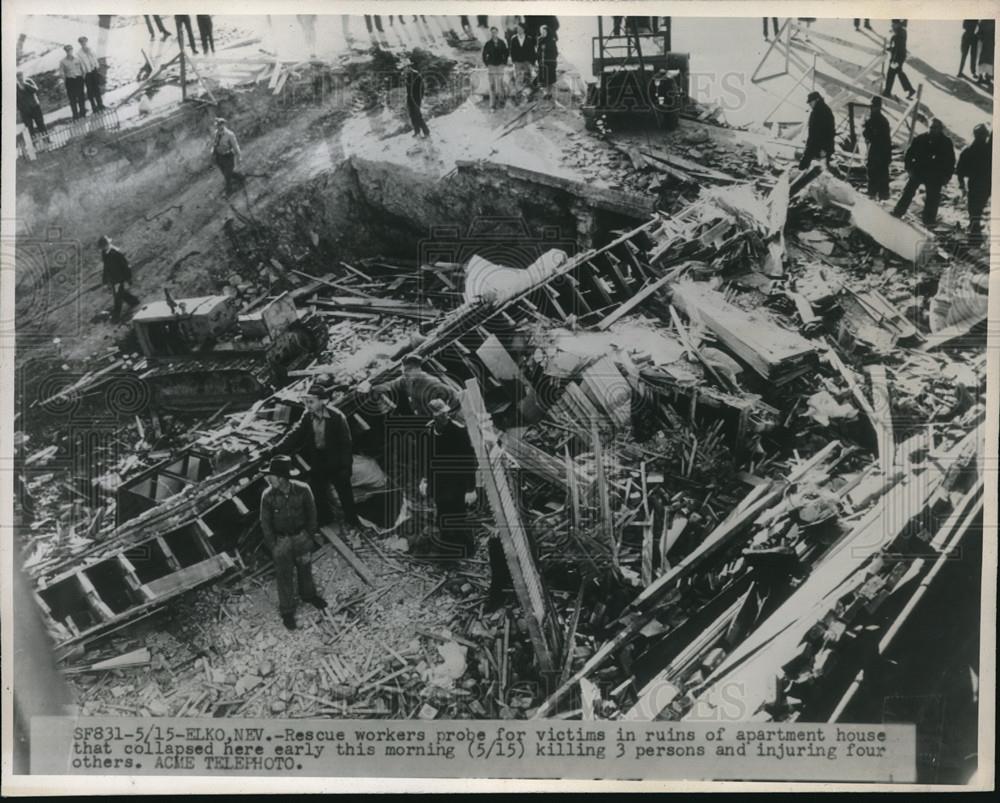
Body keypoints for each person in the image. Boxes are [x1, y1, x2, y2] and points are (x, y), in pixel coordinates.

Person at [272, 385, 360, 528]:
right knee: (318, 491)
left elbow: (346, 444)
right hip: (319, 459)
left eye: (311, 402)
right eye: (306, 402)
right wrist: (276, 450)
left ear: (323, 401)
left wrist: (346, 467)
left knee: (344, 492)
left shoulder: (336, 417)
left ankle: (352, 520)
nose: (307, 405)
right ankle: (327, 518)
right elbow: (295, 434)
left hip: (336, 460)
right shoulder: (307, 416)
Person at [259, 455, 327, 631]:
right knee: (284, 575)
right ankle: (287, 611)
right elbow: (265, 524)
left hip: (301, 538)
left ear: (282, 478)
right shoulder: (267, 496)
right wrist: (273, 546)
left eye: (271, 476)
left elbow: (312, 514)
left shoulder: (303, 490)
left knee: (305, 568)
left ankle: (309, 596)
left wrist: (308, 535)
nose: (268, 479)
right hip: (281, 542)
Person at [423, 399, 479, 559]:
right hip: (438, 482)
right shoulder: (428, 431)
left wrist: (470, 489)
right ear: (432, 415)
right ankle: (448, 549)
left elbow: (469, 461)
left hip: (457, 481)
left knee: (458, 516)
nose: (444, 417)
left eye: (446, 413)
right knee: (442, 514)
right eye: (440, 414)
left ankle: (467, 549)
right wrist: (425, 479)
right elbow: (427, 458)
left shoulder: (458, 431)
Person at [892, 118, 956, 226]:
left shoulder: (946, 143)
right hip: (918, 171)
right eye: (930, 127)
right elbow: (909, 154)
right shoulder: (920, 139)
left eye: (935, 128)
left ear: (940, 129)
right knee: (908, 192)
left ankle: (928, 221)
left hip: (935, 176)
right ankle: (898, 212)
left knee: (932, 199)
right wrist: (909, 169)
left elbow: (951, 162)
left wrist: (947, 177)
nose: (932, 130)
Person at [364, 354, 460, 418]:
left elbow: (444, 411)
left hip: (454, 413)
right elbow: (390, 385)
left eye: (409, 370)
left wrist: (438, 426)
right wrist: (370, 387)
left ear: (418, 369)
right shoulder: (406, 380)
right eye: (404, 370)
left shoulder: (431, 384)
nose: (405, 373)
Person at [956, 124, 992, 236]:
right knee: (978, 206)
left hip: (977, 182)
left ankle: (974, 227)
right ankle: (974, 227)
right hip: (986, 182)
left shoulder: (968, 150)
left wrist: (961, 184)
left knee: (974, 207)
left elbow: (960, 170)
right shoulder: (989, 149)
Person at [99, 236, 140, 323]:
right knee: (121, 294)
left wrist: (128, 279)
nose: (103, 248)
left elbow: (125, 266)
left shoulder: (116, 253)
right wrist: (105, 281)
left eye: (104, 246)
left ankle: (116, 315)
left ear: (108, 244)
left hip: (120, 278)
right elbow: (106, 268)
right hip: (114, 279)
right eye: (102, 247)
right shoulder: (105, 254)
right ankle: (135, 302)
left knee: (117, 296)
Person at [863, 96, 892, 200]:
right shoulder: (874, 119)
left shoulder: (880, 120)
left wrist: (867, 130)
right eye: (871, 106)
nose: (872, 108)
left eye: (874, 106)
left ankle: (880, 194)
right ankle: (875, 193)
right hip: (877, 149)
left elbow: (875, 136)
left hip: (880, 150)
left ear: (878, 107)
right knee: (875, 171)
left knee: (879, 172)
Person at [799, 91, 836, 170]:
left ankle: (801, 174)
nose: (809, 104)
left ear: (817, 100)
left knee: (809, 165)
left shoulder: (822, 111)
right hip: (816, 144)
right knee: (819, 167)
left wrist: (824, 148)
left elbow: (828, 132)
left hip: (819, 145)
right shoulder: (819, 110)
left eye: (810, 102)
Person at [883, 20, 916, 100]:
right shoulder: (901, 31)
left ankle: (887, 92)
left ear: (898, 25)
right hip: (898, 56)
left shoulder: (900, 34)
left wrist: (894, 60)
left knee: (891, 74)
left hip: (897, 57)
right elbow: (896, 46)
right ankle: (910, 89)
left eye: (893, 24)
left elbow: (899, 48)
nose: (892, 26)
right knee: (898, 73)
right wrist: (890, 49)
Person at [210, 117, 242, 193]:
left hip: (228, 156)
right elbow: (214, 144)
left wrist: (239, 156)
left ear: (223, 124)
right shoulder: (215, 133)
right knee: (226, 173)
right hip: (219, 157)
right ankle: (241, 177)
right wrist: (212, 152)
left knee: (227, 176)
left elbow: (235, 146)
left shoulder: (229, 134)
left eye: (220, 124)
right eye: (217, 125)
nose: (218, 126)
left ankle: (229, 191)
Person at [402, 57, 430, 138]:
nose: (404, 69)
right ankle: (417, 131)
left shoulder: (416, 74)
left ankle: (426, 132)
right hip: (410, 99)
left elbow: (422, 88)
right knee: (412, 115)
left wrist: (419, 98)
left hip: (416, 99)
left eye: (405, 67)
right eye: (403, 68)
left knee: (417, 115)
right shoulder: (407, 76)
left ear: (409, 67)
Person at [483, 27, 509, 110]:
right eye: (492, 32)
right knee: (492, 85)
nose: (494, 34)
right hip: (491, 67)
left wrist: (504, 63)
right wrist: (487, 64)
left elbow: (506, 53)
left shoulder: (502, 42)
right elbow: (484, 55)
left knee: (500, 84)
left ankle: (501, 101)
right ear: (491, 33)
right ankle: (492, 105)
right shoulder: (488, 43)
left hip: (500, 66)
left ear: (497, 33)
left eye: (495, 32)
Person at [77, 36, 104, 113]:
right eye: (82, 42)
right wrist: (84, 73)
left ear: (86, 42)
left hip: (94, 71)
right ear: (80, 43)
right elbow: (81, 64)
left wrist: (96, 66)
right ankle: (94, 107)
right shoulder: (79, 54)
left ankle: (100, 104)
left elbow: (95, 58)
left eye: (84, 42)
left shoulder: (91, 49)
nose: (83, 43)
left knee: (97, 88)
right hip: (87, 73)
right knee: (90, 91)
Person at [60, 44, 87, 120]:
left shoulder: (77, 59)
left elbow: (83, 69)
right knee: (72, 99)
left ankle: (83, 113)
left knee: (81, 97)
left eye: (70, 50)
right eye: (67, 51)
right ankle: (75, 115)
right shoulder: (63, 61)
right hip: (70, 81)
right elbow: (61, 73)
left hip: (78, 79)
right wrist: (65, 80)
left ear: (72, 50)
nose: (69, 52)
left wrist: (82, 78)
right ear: (65, 51)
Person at [16, 72, 47, 138]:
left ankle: (47, 140)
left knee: (41, 124)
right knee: (30, 128)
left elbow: (35, 89)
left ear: (23, 75)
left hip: (35, 107)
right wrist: (20, 108)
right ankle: (35, 144)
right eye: (17, 76)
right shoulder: (15, 87)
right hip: (25, 111)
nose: (19, 78)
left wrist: (25, 84)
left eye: (20, 75)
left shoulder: (28, 81)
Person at [509, 23, 536, 95]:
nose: (519, 30)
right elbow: (512, 51)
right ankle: (519, 94)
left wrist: (532, 62)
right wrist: (514, 61)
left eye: (520, 29)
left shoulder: (529, 38)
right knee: (518, 77)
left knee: (528, 77)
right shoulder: (514, 38)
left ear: (523, 29)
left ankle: (528, 94)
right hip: (517, 62)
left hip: (527, 62)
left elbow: (532, 51)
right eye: (517, 29)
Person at [537, 24, 559, 99]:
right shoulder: (540, 40)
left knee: (550, 79)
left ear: (547, 32)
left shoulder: (552, 40)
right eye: (541, 32)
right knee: (543, 79)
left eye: (544, 32)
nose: (542, 33)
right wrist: (539, 60)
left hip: (550, 63)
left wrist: (552, 60)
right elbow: (538, 51)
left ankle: (549, 93)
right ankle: (545, 93)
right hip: (542, 63)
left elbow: (555, 52)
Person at [977, 19, 995, 89]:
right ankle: (980, 76)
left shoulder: (993, 21)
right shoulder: (983, 21)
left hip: (990, 43)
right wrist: (982, 39)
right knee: (981, 60)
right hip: (983, 43)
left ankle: (987, 77)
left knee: (989, 61)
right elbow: (979, 33)